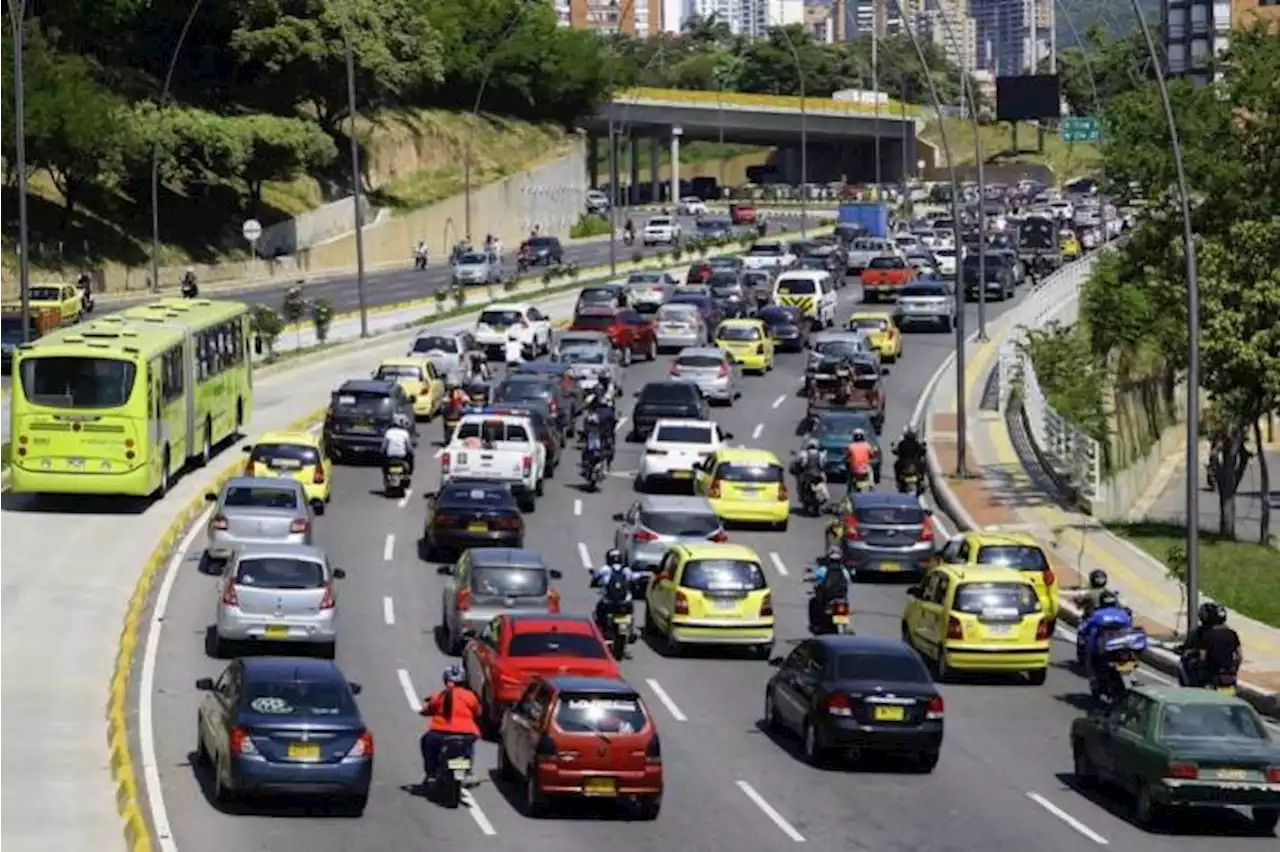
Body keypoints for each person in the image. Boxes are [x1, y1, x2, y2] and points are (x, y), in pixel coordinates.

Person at [418, 665, 482, 785]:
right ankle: (466, 770)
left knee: (426, 742)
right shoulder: (470, 696)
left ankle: (431, 771)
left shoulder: (441, 695)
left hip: (439, 733)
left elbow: (427, 710)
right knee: (468, 747)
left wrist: (424, 710)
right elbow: (478, 712)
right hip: (467, 734)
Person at [1180, 602, 1242, 688]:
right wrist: (1234, 670)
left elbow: (1202, 656)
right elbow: (1239, 656)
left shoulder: (1205, 634)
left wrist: (1201, 670)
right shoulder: (1232, 633)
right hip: (1229, 675)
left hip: (1211, 675)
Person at [1078, 590, 1133, 684]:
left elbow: (1085, 628)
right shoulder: (1123, 614)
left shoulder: (1097, 614)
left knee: (1091, 656)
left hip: (1105, 650)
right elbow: (1129, 626)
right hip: (1121, 647)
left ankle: (1096, 680)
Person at [804, 544, 852, 633]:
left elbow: (814, 577)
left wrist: (807, 578)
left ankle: (815, 624)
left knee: (813, 602)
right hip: (841, 599)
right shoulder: (844, 571)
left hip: (826, 601)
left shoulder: (823, 570)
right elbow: (848, 582)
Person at [592, 549, 641, 634]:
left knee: (598, 612)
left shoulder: (605, 569)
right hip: (624, 601)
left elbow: (596, 578)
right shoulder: (626, 570)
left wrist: (594, 582)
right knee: (630, 610)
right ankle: (631, 630)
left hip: (609, 601)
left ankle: (598, 632)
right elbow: (635, 577)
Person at [791, 437, 830, 511]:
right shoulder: (821, 454)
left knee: (799, 484)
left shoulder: (803, 454)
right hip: (818, 476)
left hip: (807, 476)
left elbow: (801, 464)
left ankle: (802, 498)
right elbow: (824, 465)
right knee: (824, 480)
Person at [845, 428, 876, 493]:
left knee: (849, 476)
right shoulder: (867, 445)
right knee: (870, 471)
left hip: (854, 470)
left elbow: (847, 456)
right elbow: (872, 455)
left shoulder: (850, 446)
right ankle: (871, 485)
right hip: (865, 469)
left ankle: (849, 489)